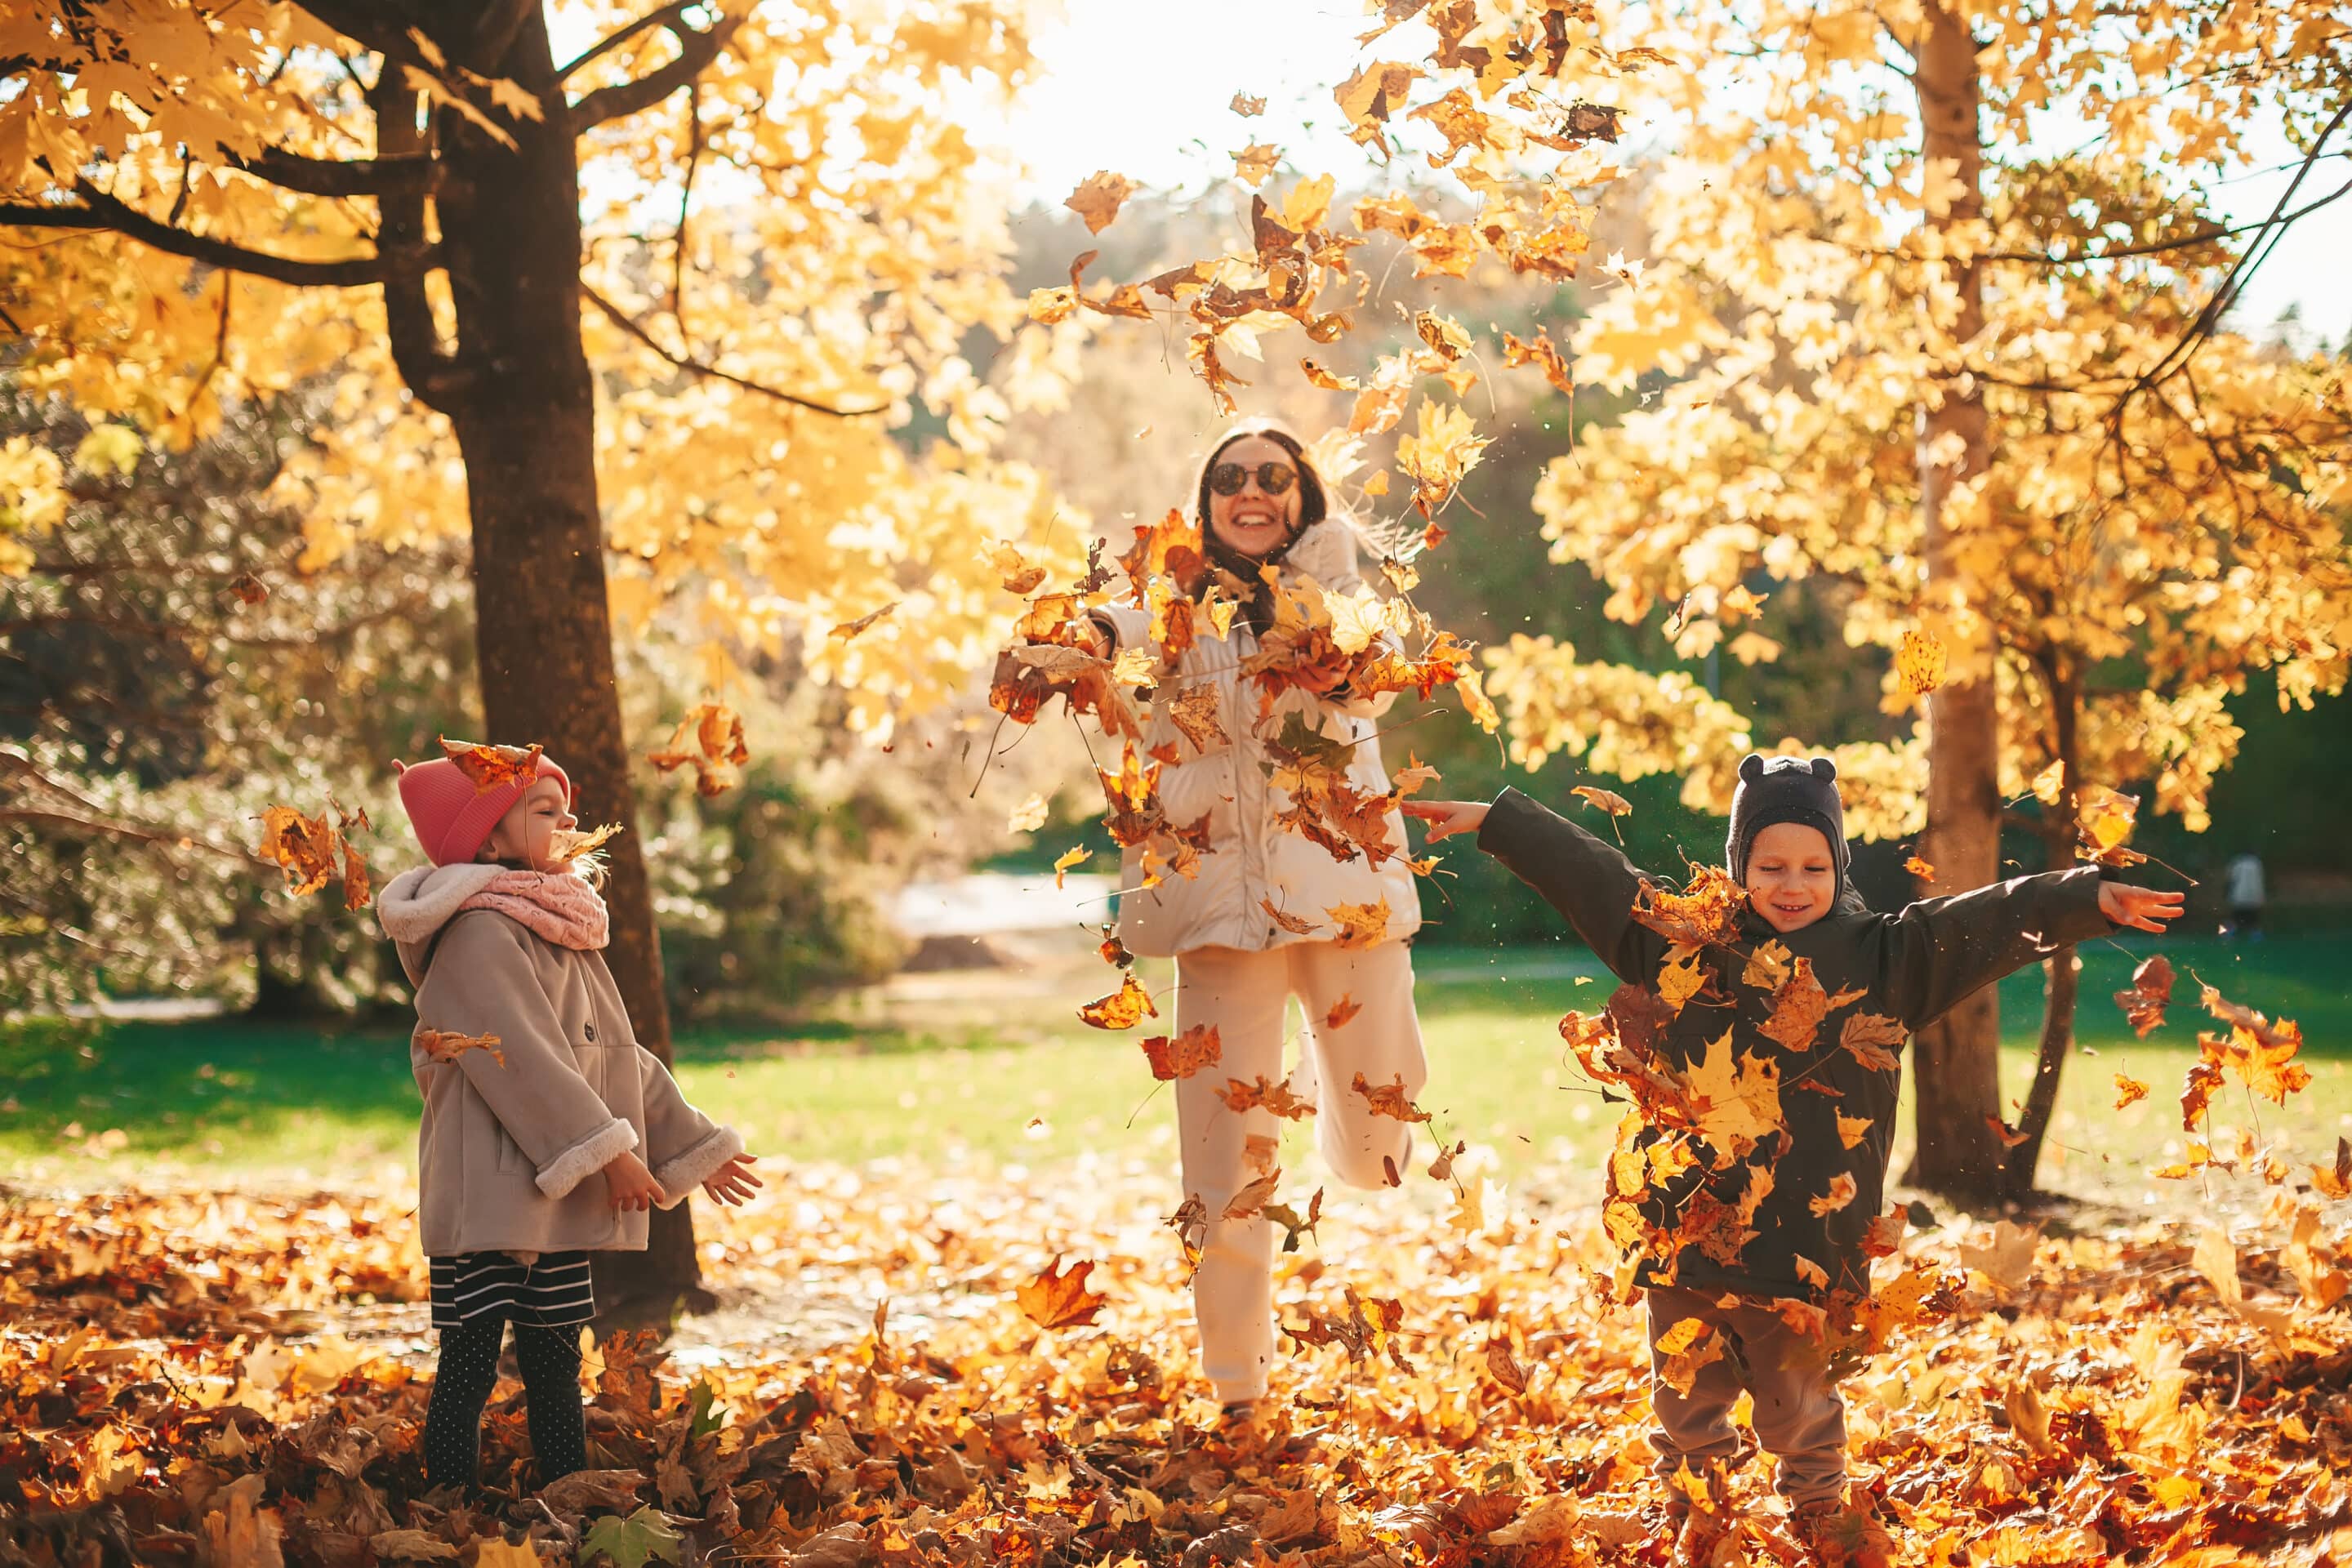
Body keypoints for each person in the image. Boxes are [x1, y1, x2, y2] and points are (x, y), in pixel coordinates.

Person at [1405, 756, 2180, 1567]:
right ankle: (1695, 1520)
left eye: (1813, 866)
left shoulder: (1887, 958)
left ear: (1839, 867)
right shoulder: (1685, 943)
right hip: (1689, 1233)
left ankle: (1822, 1522)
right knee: (1688, 1403)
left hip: (1807, 1249)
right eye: (1770, 866)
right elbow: (1596, 875)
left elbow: (1983, 919)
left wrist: (2088, 898)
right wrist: (1498, 823)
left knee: (1798, 1409)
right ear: (1740, 865)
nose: (1791, 883)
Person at [1071, 419, 1429, 1419]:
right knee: (1225, 1166)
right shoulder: (1173, 601)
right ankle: (1239, 1391)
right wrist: (1090, 639)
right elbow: (1126, 630)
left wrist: (1334, 658)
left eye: (1274, 475)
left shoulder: (1337, 589)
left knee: (1380, 1141)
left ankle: (1329, 1104)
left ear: (1301, 492)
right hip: (1221, 917)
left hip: (1341, 900)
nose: (1253, 490)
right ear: (1209, 497)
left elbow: (1373, 664)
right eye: (1231, 477)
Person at [378, 746, 763, 1494]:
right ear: (489, 840)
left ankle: (567, 1491)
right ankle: (446, 1502)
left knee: (557, 1354)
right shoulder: (478, 935)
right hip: (489, 1191)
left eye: (567, 810)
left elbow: (616, 1059)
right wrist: (605, 1151)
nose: (568, 822)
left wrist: (694, 1145)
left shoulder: (557, 928)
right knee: (471, 1356)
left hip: (552, 1194)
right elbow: (519, 1057)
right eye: (544, 812)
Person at [2226, 851, 2265, 940]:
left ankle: (2229, 934)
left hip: (2239, 894)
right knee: (2253, 917)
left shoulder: (2238, 862)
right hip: (2254, 895)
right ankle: (2256, 936)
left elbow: (2231, 878)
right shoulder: (2257, 863)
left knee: (2236, 916)